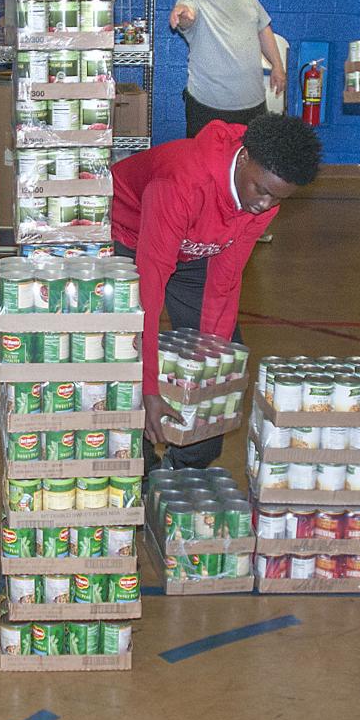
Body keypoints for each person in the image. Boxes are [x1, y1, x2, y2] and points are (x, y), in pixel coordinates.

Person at [111, 113, 322, 469]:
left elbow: (224, 283)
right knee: (122, 356)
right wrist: (148, 388)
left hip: (195, 246)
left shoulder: (262, 200)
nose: (265, 205)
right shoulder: (183, 181)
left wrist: (208, 381)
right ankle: (139, 468)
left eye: (277, 199)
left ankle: (182, 468)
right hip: (130, 235)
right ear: (244, 158)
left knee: (221, 365)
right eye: (262, 190)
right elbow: (148, 291)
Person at [169, 0, 287, 138]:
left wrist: (277, 65)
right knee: (205, 166)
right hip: (207, 108)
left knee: (253, 165)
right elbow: (188, 16)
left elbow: (263, 28)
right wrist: (183, 15)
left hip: (253, 105)